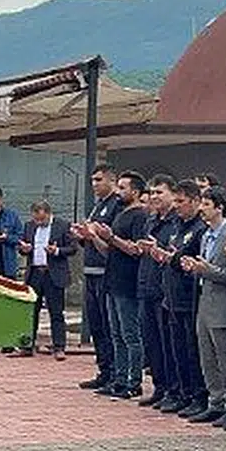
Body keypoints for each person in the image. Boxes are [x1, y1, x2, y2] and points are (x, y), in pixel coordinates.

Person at [182, 187, 226, 425]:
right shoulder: (206, 235)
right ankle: (215, 400)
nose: (202, 209)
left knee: (225, 354)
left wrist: (207, 270)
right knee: (206, 354)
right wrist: (194, 268)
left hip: (223, 302)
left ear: (220, 208)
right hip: (205, 298)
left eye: (207, 205)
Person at [90, 171, 150, 399]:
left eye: (123, 188)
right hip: (112, 280)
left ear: (135, 192)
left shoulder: (139, 216)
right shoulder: (120, 214)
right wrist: (95, 237)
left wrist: (112, 237)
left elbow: (136, 250)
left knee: (130, 334)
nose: (119, 192)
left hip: (128, 282)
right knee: (115, 333)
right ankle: (119, 377)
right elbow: (109, 250)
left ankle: (133, 381)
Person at [156, 180, 208, 415]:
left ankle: (197, 395)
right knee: (175, 349)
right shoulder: (177, 225)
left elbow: (192, 262)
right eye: (175, 201)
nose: (177, 206)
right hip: (171, 296)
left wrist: (172, 259)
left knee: (191, 351)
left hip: (189, 298)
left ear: (196, 201)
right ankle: (180, 391)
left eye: (181, 201)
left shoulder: (200, 229)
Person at [72, 164, 123, 390]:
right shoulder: (97, 206)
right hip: (90, 271)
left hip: (105, 272)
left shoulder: (116, 205)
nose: (94, 184)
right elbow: (90, 237)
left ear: (112, 181)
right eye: (92, 180)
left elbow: (109, 238)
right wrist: (83, 235)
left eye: (99, 180)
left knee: (108, 323)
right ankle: (103, 369)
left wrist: (94, 235)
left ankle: (115, 372)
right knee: (96, 325)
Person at [137, 175, 178, 408]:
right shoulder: (151, 221)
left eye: (159, 193)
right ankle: (160, 387)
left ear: (172, 194)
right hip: (147, 285)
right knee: (151, 342)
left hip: (165, 290)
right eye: (151, 193)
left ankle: (174, 390)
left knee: (167, 343)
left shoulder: (175, 223)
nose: (154, 198)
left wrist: (159, 251)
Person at [17, 201, 76, 360]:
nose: (39, 222)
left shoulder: (63, 225)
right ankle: (27, 345)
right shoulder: (29, 226)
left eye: (42, 219)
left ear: (49, 214)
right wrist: (24, 249)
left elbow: (73, 248)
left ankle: (59, 346)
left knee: (56, 312)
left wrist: (56, 251)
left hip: (53, 273)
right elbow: (22, 246)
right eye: (36, 219)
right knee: (31, 312)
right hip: (34, 273)